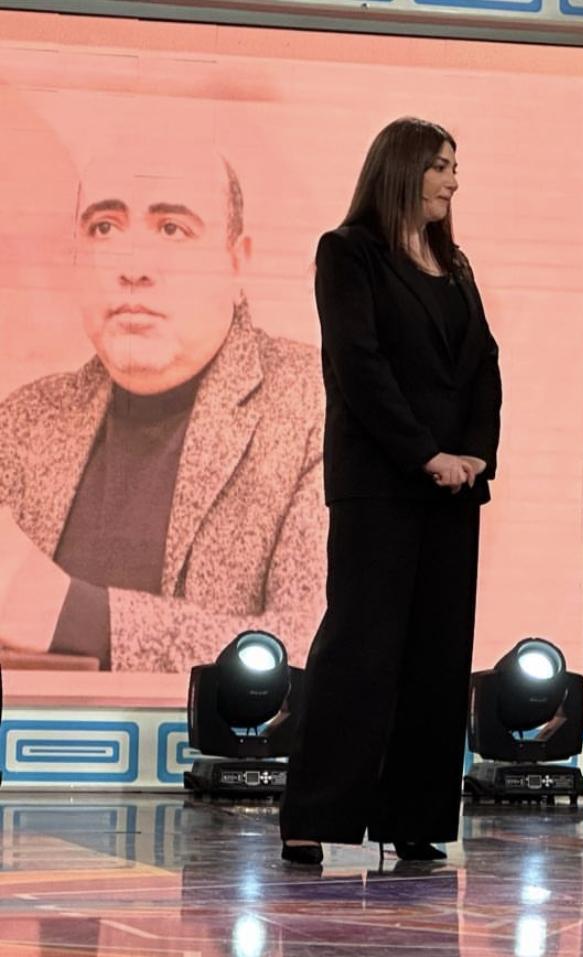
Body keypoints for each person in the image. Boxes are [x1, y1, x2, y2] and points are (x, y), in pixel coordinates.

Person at [0, 142, 326, 672]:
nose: (134, 268)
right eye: (104, 228)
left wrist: (68, 617)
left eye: (173, 229)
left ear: (236, 261)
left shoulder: (318, 405)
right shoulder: (23, 421)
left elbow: (320, 647)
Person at [278, 117, 502, 867]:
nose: (453, 181)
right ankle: (315, 813)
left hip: (454, 490)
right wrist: (425, 454)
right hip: (379, 483)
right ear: (403, 168)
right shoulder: (348, 253)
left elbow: (483, 365)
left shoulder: (455, 264)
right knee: (361, 645)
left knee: (438, 654)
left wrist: (474, 455)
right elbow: (360, 367)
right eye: (441, 166)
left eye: (455, 166)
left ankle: (415, 817)